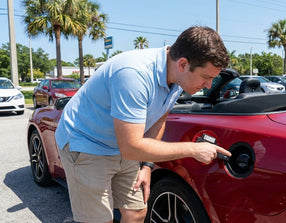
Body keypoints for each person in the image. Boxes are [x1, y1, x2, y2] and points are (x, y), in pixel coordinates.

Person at [55, 26, 231, 223]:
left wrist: (147, 166)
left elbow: (158, 120)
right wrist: (192, 149)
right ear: (183, 64)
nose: (208, 85)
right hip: (86, 142)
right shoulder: (133, 74)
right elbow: (131, 147)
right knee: (100, 220)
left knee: (136, 212)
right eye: (206, 77)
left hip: (122, 145)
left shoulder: (176, 78)